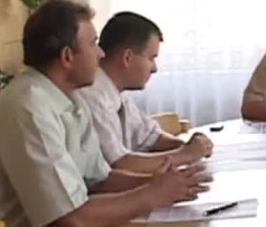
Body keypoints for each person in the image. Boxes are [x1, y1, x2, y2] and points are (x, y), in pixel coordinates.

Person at [0, 0, 211, 227]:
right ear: (67, 57)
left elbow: (99, 181)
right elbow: (73, 220)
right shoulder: (27, 106)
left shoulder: (71, 97)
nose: (102, 54)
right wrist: (151, 194)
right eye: (93, 43)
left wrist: (166, 184)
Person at [77, 12, 213, 174]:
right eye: (151, 58)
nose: (155, 68)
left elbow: (151, 137)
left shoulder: (118, 93)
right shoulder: (92, 96)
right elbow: (119, 165)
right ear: (127, 58)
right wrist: (185, 155)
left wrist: (187, 146)